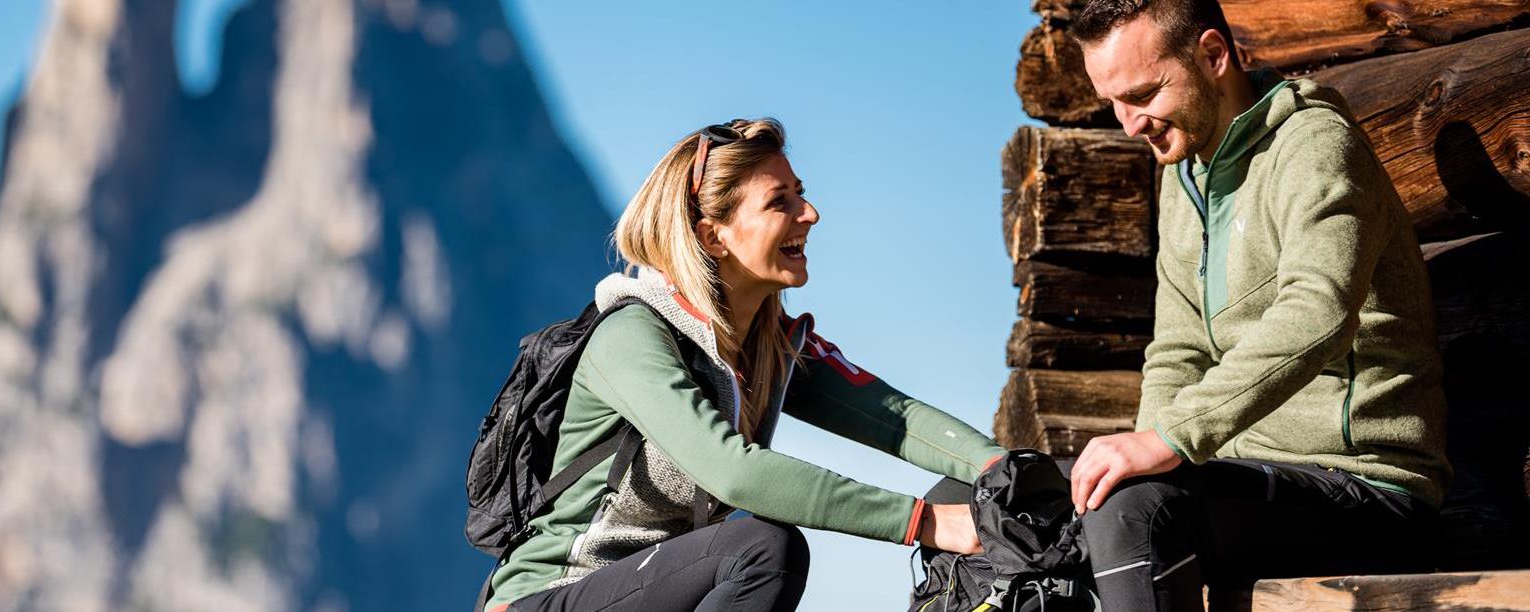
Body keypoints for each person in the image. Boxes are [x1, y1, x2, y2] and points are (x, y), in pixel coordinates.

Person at [481, 118, 1008, 612]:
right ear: (713, 235)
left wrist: (1002, 469)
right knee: (762, 548)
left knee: (957, 491)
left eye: (801, 192)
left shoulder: (769, 344)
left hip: (658, 589)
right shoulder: (630, 336)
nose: (810, 213)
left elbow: (895, 418)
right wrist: (926, 522)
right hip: (552, 594)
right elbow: (732, 471)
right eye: (781, 201)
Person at [1062, 1, 1451, 609]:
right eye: (1113, 101)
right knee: (996, 498)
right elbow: (1177, 351)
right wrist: (1145, 453)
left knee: (1135, 515)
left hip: (1363, 488)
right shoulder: (1184, 174)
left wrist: (1170, 437)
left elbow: (1317, 310)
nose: (1128, 123)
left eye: (1141, 94)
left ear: (1214, 56)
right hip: (1242, 483)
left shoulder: (1312, 143)